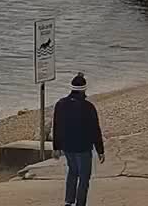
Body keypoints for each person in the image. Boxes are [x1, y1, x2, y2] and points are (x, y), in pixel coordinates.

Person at [53, 72, 105, 206]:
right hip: (83, 147)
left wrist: (56, 147)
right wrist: (100, 150)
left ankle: (68, 202)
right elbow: (95, 130)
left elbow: (56, 126)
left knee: (72, 172)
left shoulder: (60, 104)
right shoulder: (88, 107)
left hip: (67, 147)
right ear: (85, 89)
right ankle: (80, 204)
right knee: (84, 178)